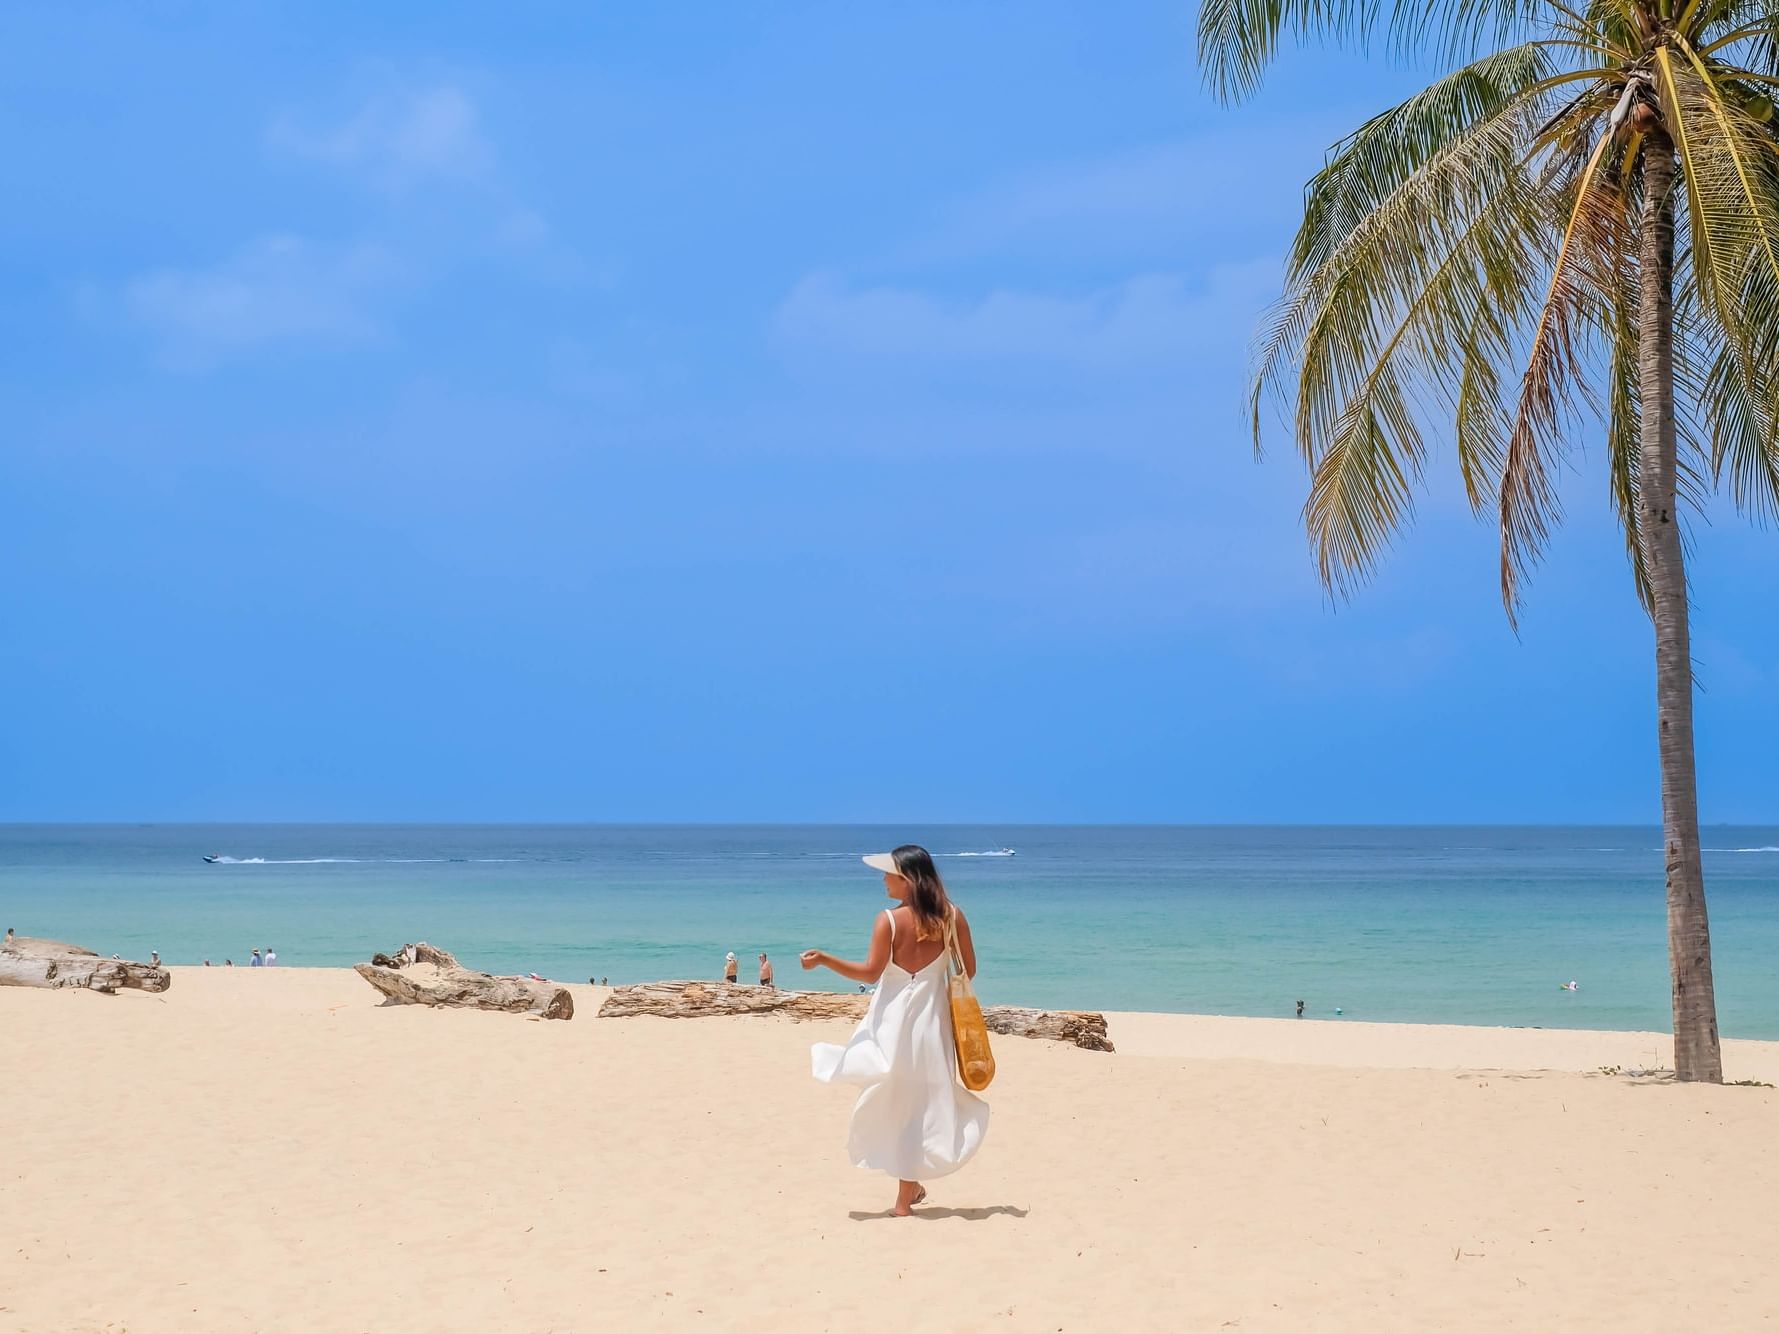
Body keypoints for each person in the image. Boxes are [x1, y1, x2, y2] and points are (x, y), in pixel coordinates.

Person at [805, 845, 988, 1218]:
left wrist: (825, 959)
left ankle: (906, 1198)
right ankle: (906, 1196)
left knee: (895, 1101)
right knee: (921, 1106)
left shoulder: (887, 920)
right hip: (932, 1025)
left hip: (890, 1026)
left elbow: (870, 974)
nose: (883, 880)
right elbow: (968, 970)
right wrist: (931, 983)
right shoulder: (953, 916)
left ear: (906, 879)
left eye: (888, 874)